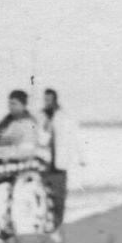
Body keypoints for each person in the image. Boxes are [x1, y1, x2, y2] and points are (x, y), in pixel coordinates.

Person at [40, 88, 85, 227]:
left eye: (49, 99)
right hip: (44, 164)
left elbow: (74, 138)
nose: (47, 102)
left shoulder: (64, 117)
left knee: (59, 198)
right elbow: (40, 138)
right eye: (45, 99)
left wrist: (81, 157)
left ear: (55, 100)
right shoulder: (41, 116)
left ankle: (58, 225)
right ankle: (46, 227)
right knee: (44, 199)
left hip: (60, 163)